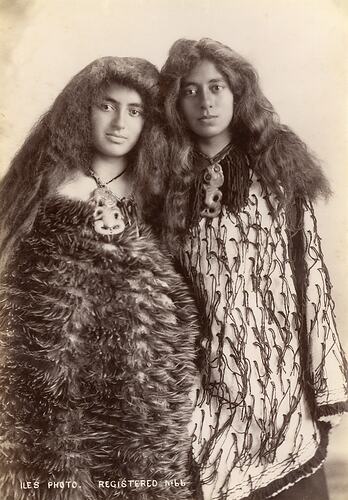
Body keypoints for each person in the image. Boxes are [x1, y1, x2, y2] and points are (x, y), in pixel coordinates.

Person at [0, 56, 199, 500]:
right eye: (106, 106)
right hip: (53, 382)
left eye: (135, 111)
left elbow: (182, 281)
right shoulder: (42, 183)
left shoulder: (161, 189)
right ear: (82, 109)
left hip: (142, 384)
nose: (119, 123)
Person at [160, 38, 348, 500]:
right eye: (191, 90)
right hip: (205, 390)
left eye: (217, 87)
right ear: (174, 101)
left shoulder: (279, 168)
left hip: (282, 388)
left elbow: (312, 281)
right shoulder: (160, 181)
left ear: (237, 92)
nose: (205, 101)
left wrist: (327, 385)